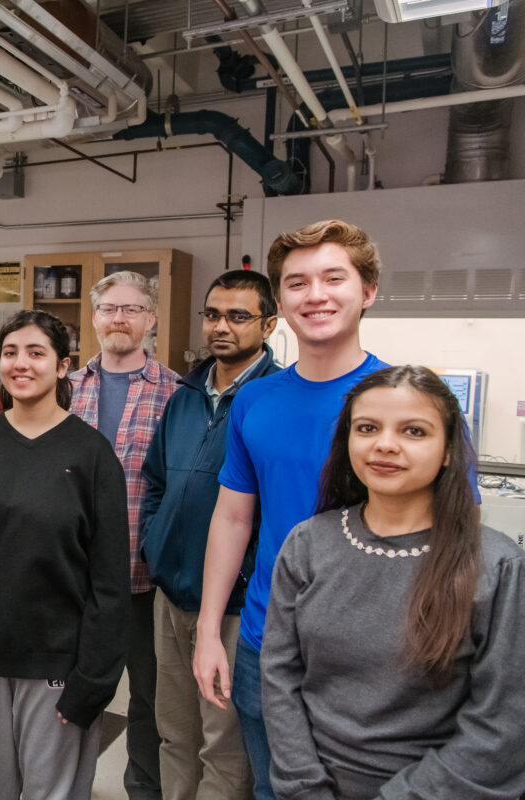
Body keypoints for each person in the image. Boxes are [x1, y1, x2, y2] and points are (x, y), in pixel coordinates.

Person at [262, 365, 525, 799]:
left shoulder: (497, 566)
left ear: (447, 451)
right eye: (367, 428)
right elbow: (280, 677)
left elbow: (503, 725)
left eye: (414, 431)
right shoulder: (309, 542)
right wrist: (305, 787)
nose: (385, 445)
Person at [193, 220, 387, 800]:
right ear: (281, 302)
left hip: (374, 653)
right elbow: (232, 519)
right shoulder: (255, 399)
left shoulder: (406, 397)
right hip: (266, 644)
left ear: (368, 291)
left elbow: (456, 536)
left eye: (334, 278)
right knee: (275, 790)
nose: (316, 294)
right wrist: (208, 633)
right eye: (298, 283)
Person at [0, 309, 131, 800]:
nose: (21, 364)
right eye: (10, 352)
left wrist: (93, 680)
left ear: (63, 367)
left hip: (60, 667)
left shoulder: (92, 454)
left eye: (36, 353)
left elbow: (109, 580)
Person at [140, 270, 280, 800]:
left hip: (233, 608)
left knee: (222, 746)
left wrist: (241, 576)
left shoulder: (275, 399)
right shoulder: (185, 394)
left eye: (239, 316)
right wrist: (156, 543)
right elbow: (155, 480)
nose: (222, 326)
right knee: (174, 733)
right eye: (213, 314)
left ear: (268, 323)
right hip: (171, 594)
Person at [68, 270, 179, 800]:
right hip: (68, 574)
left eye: (132, 309)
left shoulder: (177, 394)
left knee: (149, 701)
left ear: (151, 319)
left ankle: (143, 792)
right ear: (94, 317)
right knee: (68, 690)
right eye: (110, 308)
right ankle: (63, 786)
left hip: (141, 578)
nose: (119, 318)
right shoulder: (64, 388)